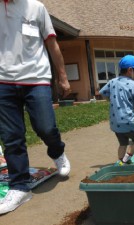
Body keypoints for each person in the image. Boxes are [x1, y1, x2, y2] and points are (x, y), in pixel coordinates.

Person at [0, 0, 71, 214]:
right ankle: (20, 186)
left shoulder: (36, 7)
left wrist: (63, 77)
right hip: (3, 80)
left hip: (36, 78)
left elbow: (52, 44)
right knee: (11, 136)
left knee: (46, 127)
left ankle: (57, 152)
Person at [100, 55, 134, 166]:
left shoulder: (112, 82)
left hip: (115, 122)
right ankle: (125, 160)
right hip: (128, 120)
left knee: (123, 143)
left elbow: (102, 93)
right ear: (130, 70)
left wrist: (110, 100)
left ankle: (121, 161)